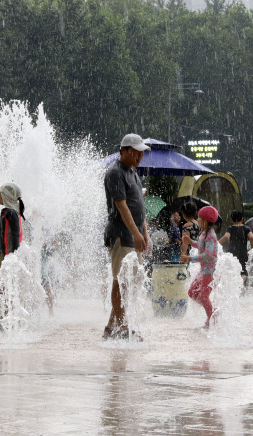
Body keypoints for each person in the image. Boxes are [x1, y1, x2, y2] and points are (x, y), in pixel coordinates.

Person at [103, 133, 151, 340]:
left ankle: (110, 328)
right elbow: (122, 207)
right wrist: (135, 232)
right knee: (120, 280)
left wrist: (144, 232)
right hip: (121, 234)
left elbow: (138, 205)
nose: (139, 156)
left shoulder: (133, 173)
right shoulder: (115, 173)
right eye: (135, 152)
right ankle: (122, 327)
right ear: (124, 150)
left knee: (132, 281)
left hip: (134, 234)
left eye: (141, 153)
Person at [181, 206, 220, 329]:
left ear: (206, 221)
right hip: (204, 270)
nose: (197, 220)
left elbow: (208, 254)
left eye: (199, 218)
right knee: (192, 292)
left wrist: (190, 258)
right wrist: (191, 242)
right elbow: (201, 246)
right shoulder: (204, 233)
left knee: (203, 296)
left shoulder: (211, 236)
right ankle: (212, 310)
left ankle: (212, 320)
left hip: (210, 271)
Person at [0, 182, 25, 259]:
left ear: (5, 196)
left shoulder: (10, 213)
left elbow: (16, 236)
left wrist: (13, 259)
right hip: (8, 259)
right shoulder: (9, 213)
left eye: (0, 193)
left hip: (10, 259)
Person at [219, 210, 253, 283]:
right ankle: (242, 283)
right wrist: (252, 249)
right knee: (243, 271)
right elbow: (252, 237)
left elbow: (226, 237)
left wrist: (217, 243)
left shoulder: (230, 228)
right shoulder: (246, 228)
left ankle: (234, 285)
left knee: (232, 270)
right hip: (243, 253)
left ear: (231, 220)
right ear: (242, 219)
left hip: (232, 252)